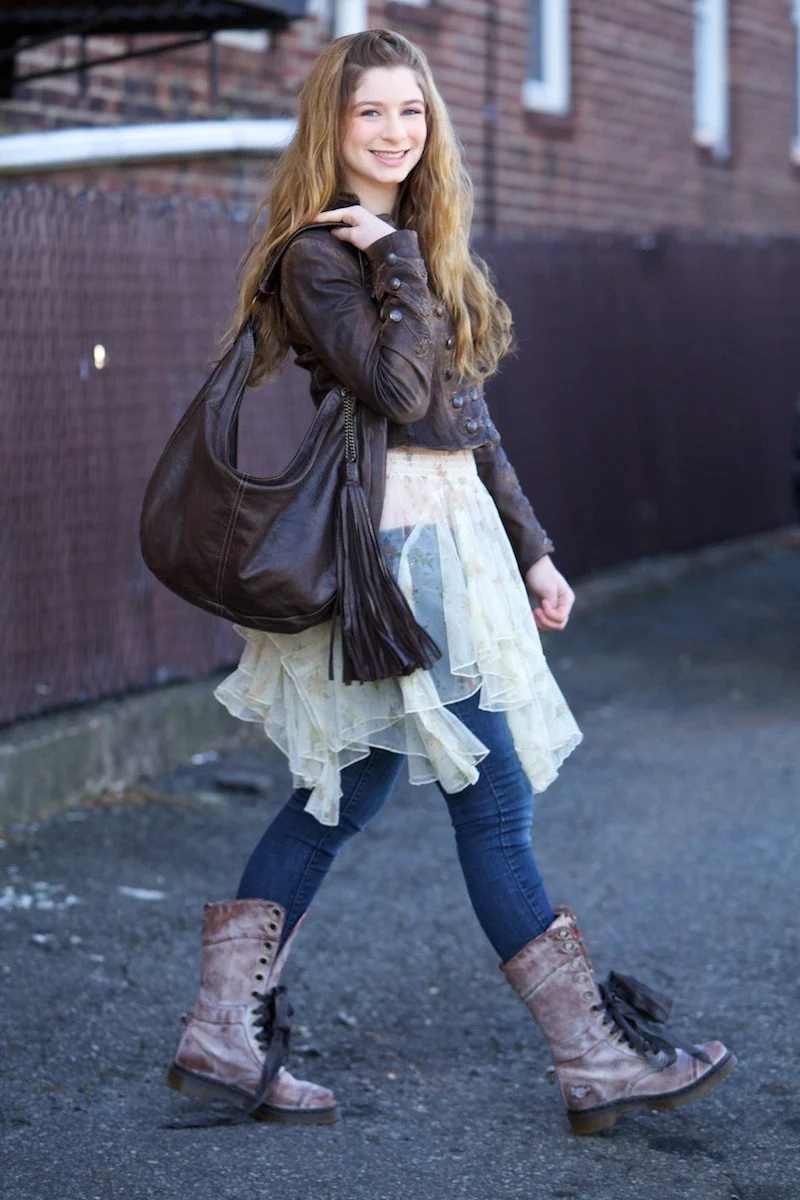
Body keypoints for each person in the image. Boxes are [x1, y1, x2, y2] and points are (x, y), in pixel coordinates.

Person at [166, 28, 735, 1135]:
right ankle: (592, 1059)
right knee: (493, 803)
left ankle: (221, 1034)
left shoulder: (405, 246)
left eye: (410, 113)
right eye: (369, 112)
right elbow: (390, 383)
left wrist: (531, 548)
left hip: (449, 544)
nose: (392, 132)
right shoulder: (324, 255)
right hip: (393, 562)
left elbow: (463, 419)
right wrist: (393, 261)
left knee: (345, 797)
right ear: (331, 124)